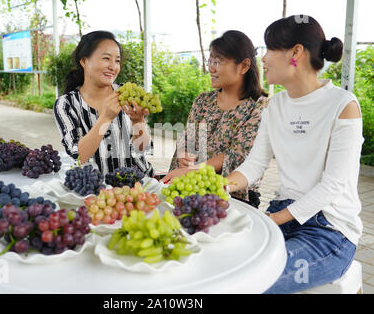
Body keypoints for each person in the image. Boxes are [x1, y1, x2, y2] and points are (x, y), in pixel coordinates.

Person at [226, 15, 363, 293]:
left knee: (252, 283)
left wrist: (272, 220)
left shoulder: (343, 106)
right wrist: (220, 185)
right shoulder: (274, 106)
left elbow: (333, 185)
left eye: (269, 49)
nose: (262, 59)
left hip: (328, 230)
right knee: (223, 265)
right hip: (281, 214)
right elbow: (255, 164)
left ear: (296, 53)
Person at [162, 30, 268, 208]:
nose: (211, 68)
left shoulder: (259, 107)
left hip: (234, 197)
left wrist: (192, 171)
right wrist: (184, 157)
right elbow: (188, 141)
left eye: (217, 62)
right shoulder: (203, 101)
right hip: (191, 191)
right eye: (210, 61)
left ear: (243, 66)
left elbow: (239, 155)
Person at [54, 30, 154, 177]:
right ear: (84, 61)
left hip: (140, 184)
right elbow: (79, 155)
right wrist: (105, 119)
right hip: (97, 190)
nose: (113, 67)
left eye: (117, 60)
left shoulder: (126, 94)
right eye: (106, 58)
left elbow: (143, 149)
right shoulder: (66, 104)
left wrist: (138, 121)